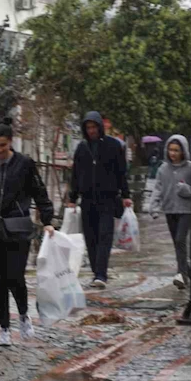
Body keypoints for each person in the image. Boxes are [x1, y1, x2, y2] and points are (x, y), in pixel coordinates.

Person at [0, 121, 54, 347]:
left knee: (15, 276)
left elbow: (39, 192)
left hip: (17, 227)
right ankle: (4, 327)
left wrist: (47, 220)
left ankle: (24, 315)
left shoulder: (25, 164)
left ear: (10, 143)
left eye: (3, 145)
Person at [67, 111, 132, 289]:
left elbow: (121, 172)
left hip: (108, 198)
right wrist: (72, 198)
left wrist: (126, 195)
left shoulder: (112, 146)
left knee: (105, 235)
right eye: (88, 128)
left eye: (94, 127)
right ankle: (97, 271)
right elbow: (75, 174)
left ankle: (101, 274)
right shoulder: (82, 148)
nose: (91, 131)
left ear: (100, 127)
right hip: (87, 199)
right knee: (91, 237)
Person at [149, 134, 191, 289]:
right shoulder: (162, 169)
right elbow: (158, 189)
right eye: (170, 150)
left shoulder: (190, 168)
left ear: (183, 151)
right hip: (170, 210)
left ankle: (181, 275)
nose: (173, 153)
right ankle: (189, 272)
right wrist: (154, 207)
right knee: (177, 243)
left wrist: (187, 190)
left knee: (180, 240)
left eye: (176, 150)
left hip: (186, 211)